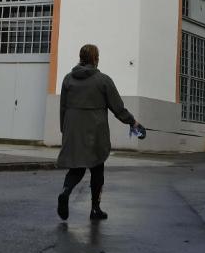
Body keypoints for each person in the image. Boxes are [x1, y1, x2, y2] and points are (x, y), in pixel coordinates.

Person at [56, 43, 141, 221]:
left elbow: (62, 107)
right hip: (95, 131)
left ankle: (65, 191)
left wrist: (65, 130)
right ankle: (95, 209)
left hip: (73, 130)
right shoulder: (103, 80)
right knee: (97, 169)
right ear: (96, 58)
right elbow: (118, 108)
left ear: (80, 57)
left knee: (76, 168)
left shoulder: (67, 79)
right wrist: (132, 122)